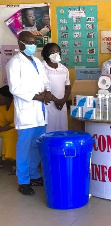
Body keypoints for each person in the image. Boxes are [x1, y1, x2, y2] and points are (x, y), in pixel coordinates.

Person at [6, 31, 57, 195]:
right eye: (29, 42)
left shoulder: (37, 61)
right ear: (20, 43)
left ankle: (35, 175)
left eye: (34, 42)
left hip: (40, 112)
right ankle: (23, 181)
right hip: (27, 113)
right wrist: (37, 96)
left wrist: (47, 92)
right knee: (24, 148)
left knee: (36, 146)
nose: (32, 45)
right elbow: (14, 88)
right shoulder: (14, 63)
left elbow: (45, 80)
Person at [41, 43, 71, 132]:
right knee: (49, 130)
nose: (56, 53)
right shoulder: (41, 67)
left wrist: (63, 100)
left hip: (62, 104)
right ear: (46, 53)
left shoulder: (64, 69)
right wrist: (56, 100)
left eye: (57, 51)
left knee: (62, 130)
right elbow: (42, 87)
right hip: (48, 104)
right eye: (52, 51)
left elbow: (68, 86)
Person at [0, 85, 17, 173]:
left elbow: (19, 120)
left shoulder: (16, 104)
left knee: (11, 134)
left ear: (7, 98)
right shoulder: (1, 106)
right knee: (8, 133)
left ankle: (14, 162)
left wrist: (8, 126)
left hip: (16, 128)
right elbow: (1, 122)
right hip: (5, 129)